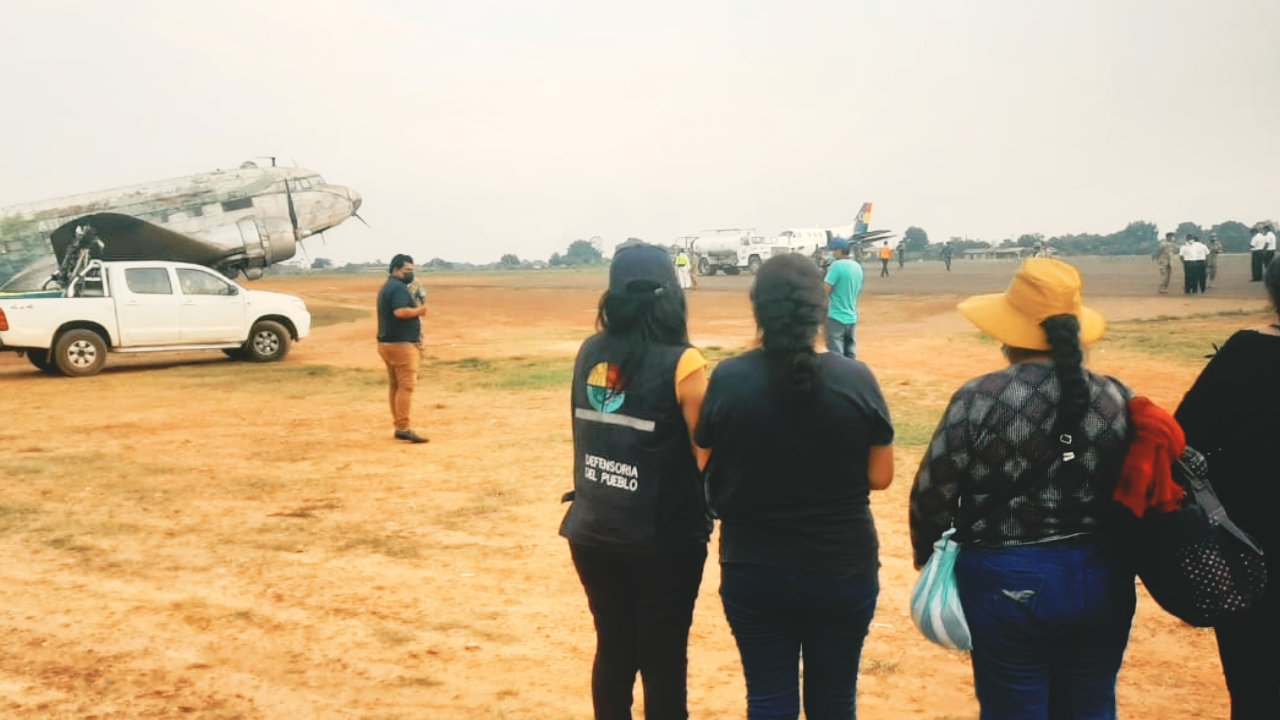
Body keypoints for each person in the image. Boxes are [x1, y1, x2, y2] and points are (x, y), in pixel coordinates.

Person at [910, 258, 1136, 718]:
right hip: (1102, 575)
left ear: (1008, 332)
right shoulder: (1116, 396)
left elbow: (932, 493)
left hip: (1004, 580)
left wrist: (931, 560)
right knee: (1092, 704)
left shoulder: (979, 397)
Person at [696, 253, 895, 719]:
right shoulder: (856, 378)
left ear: (758, 309)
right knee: (834, 703)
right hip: (841, 566)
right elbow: (880, 477)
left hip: (754, 565)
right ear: (820, 311)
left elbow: (702, 459)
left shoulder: (728, 377)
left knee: (768, 700)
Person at [559, 242, 712, 720]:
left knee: (615, 649)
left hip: (592, 530)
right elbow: (708, 456)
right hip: (664, 539)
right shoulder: (684, 363)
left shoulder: (590, 351)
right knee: (664, 659)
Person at [1174, 257, 1280, 719]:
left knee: (1255, 684)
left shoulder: (1244, 354)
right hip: (1248, 548)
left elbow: (1181, 439)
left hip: (1248, 552)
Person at [377, 254, 428, 443]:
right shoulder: (398, 288)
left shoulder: (388, 287)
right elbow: (400, 312)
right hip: (401, 345)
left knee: (395, 386)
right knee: (406, 386)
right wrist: (419, 311)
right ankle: (404, 427)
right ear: (396, 269)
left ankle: (399, 425)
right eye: (408, 270)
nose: (411, 273)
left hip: (386, 342)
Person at [824, 239, 864, 359]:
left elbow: (825, 290)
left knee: (836, 356)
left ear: (840, 251)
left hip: (835, 315)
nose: (832, 253)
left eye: (834, 250)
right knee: (850, 354)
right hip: (851, 316)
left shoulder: (836, 266)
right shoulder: (857, 266)